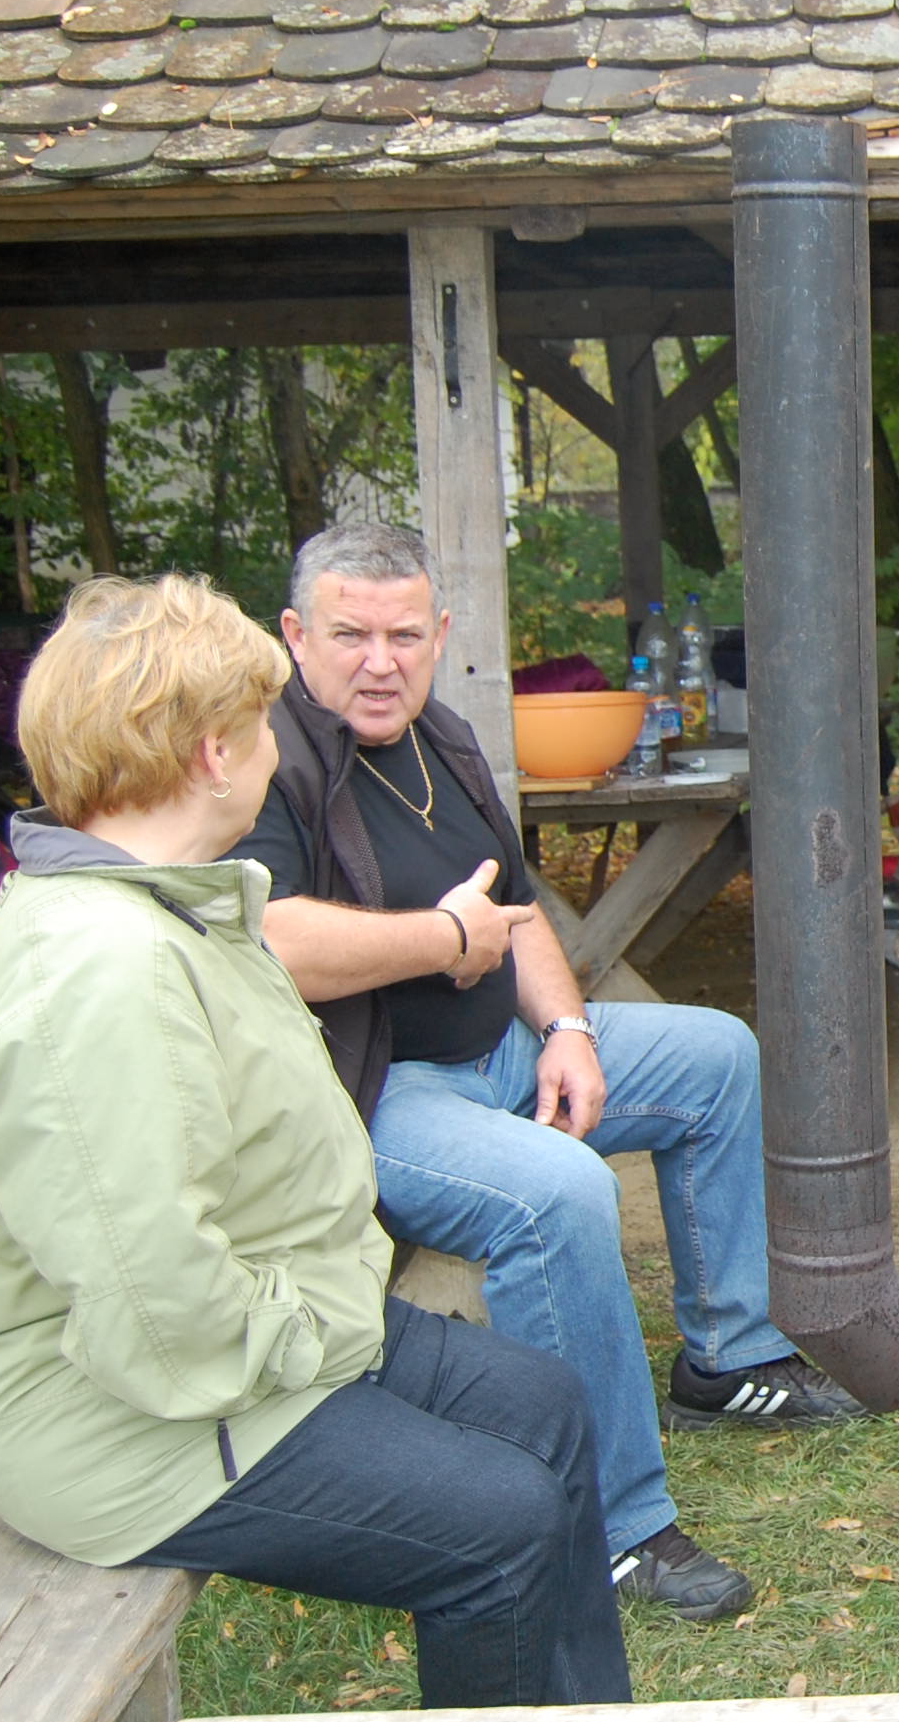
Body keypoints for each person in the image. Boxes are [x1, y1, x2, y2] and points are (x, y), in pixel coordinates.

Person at [0, 575, 629, 1707]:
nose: (277, 746)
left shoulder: (180, 905)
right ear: (214, 755)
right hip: (120, 1412)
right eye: (262, 725)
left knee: (541, 1402)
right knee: (500, 1524)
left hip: (263, 1324)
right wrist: (321, 1336)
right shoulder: (102, 970)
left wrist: (330, 1312)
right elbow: (156, 1310)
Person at [231, 522, 854, 1624]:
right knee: (555, 1194)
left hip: (506, 1051)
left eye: (403, 636)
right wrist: (441, 940)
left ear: (440, 634)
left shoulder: (445, 738)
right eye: (350, 636)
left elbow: (514, 914)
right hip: (372, 1094)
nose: (379, 662)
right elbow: (270, 942)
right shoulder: (267, 759)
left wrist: (565, 1026)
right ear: (294, 634)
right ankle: (614, 1526)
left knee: (715, 1054)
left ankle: (728, 1356)